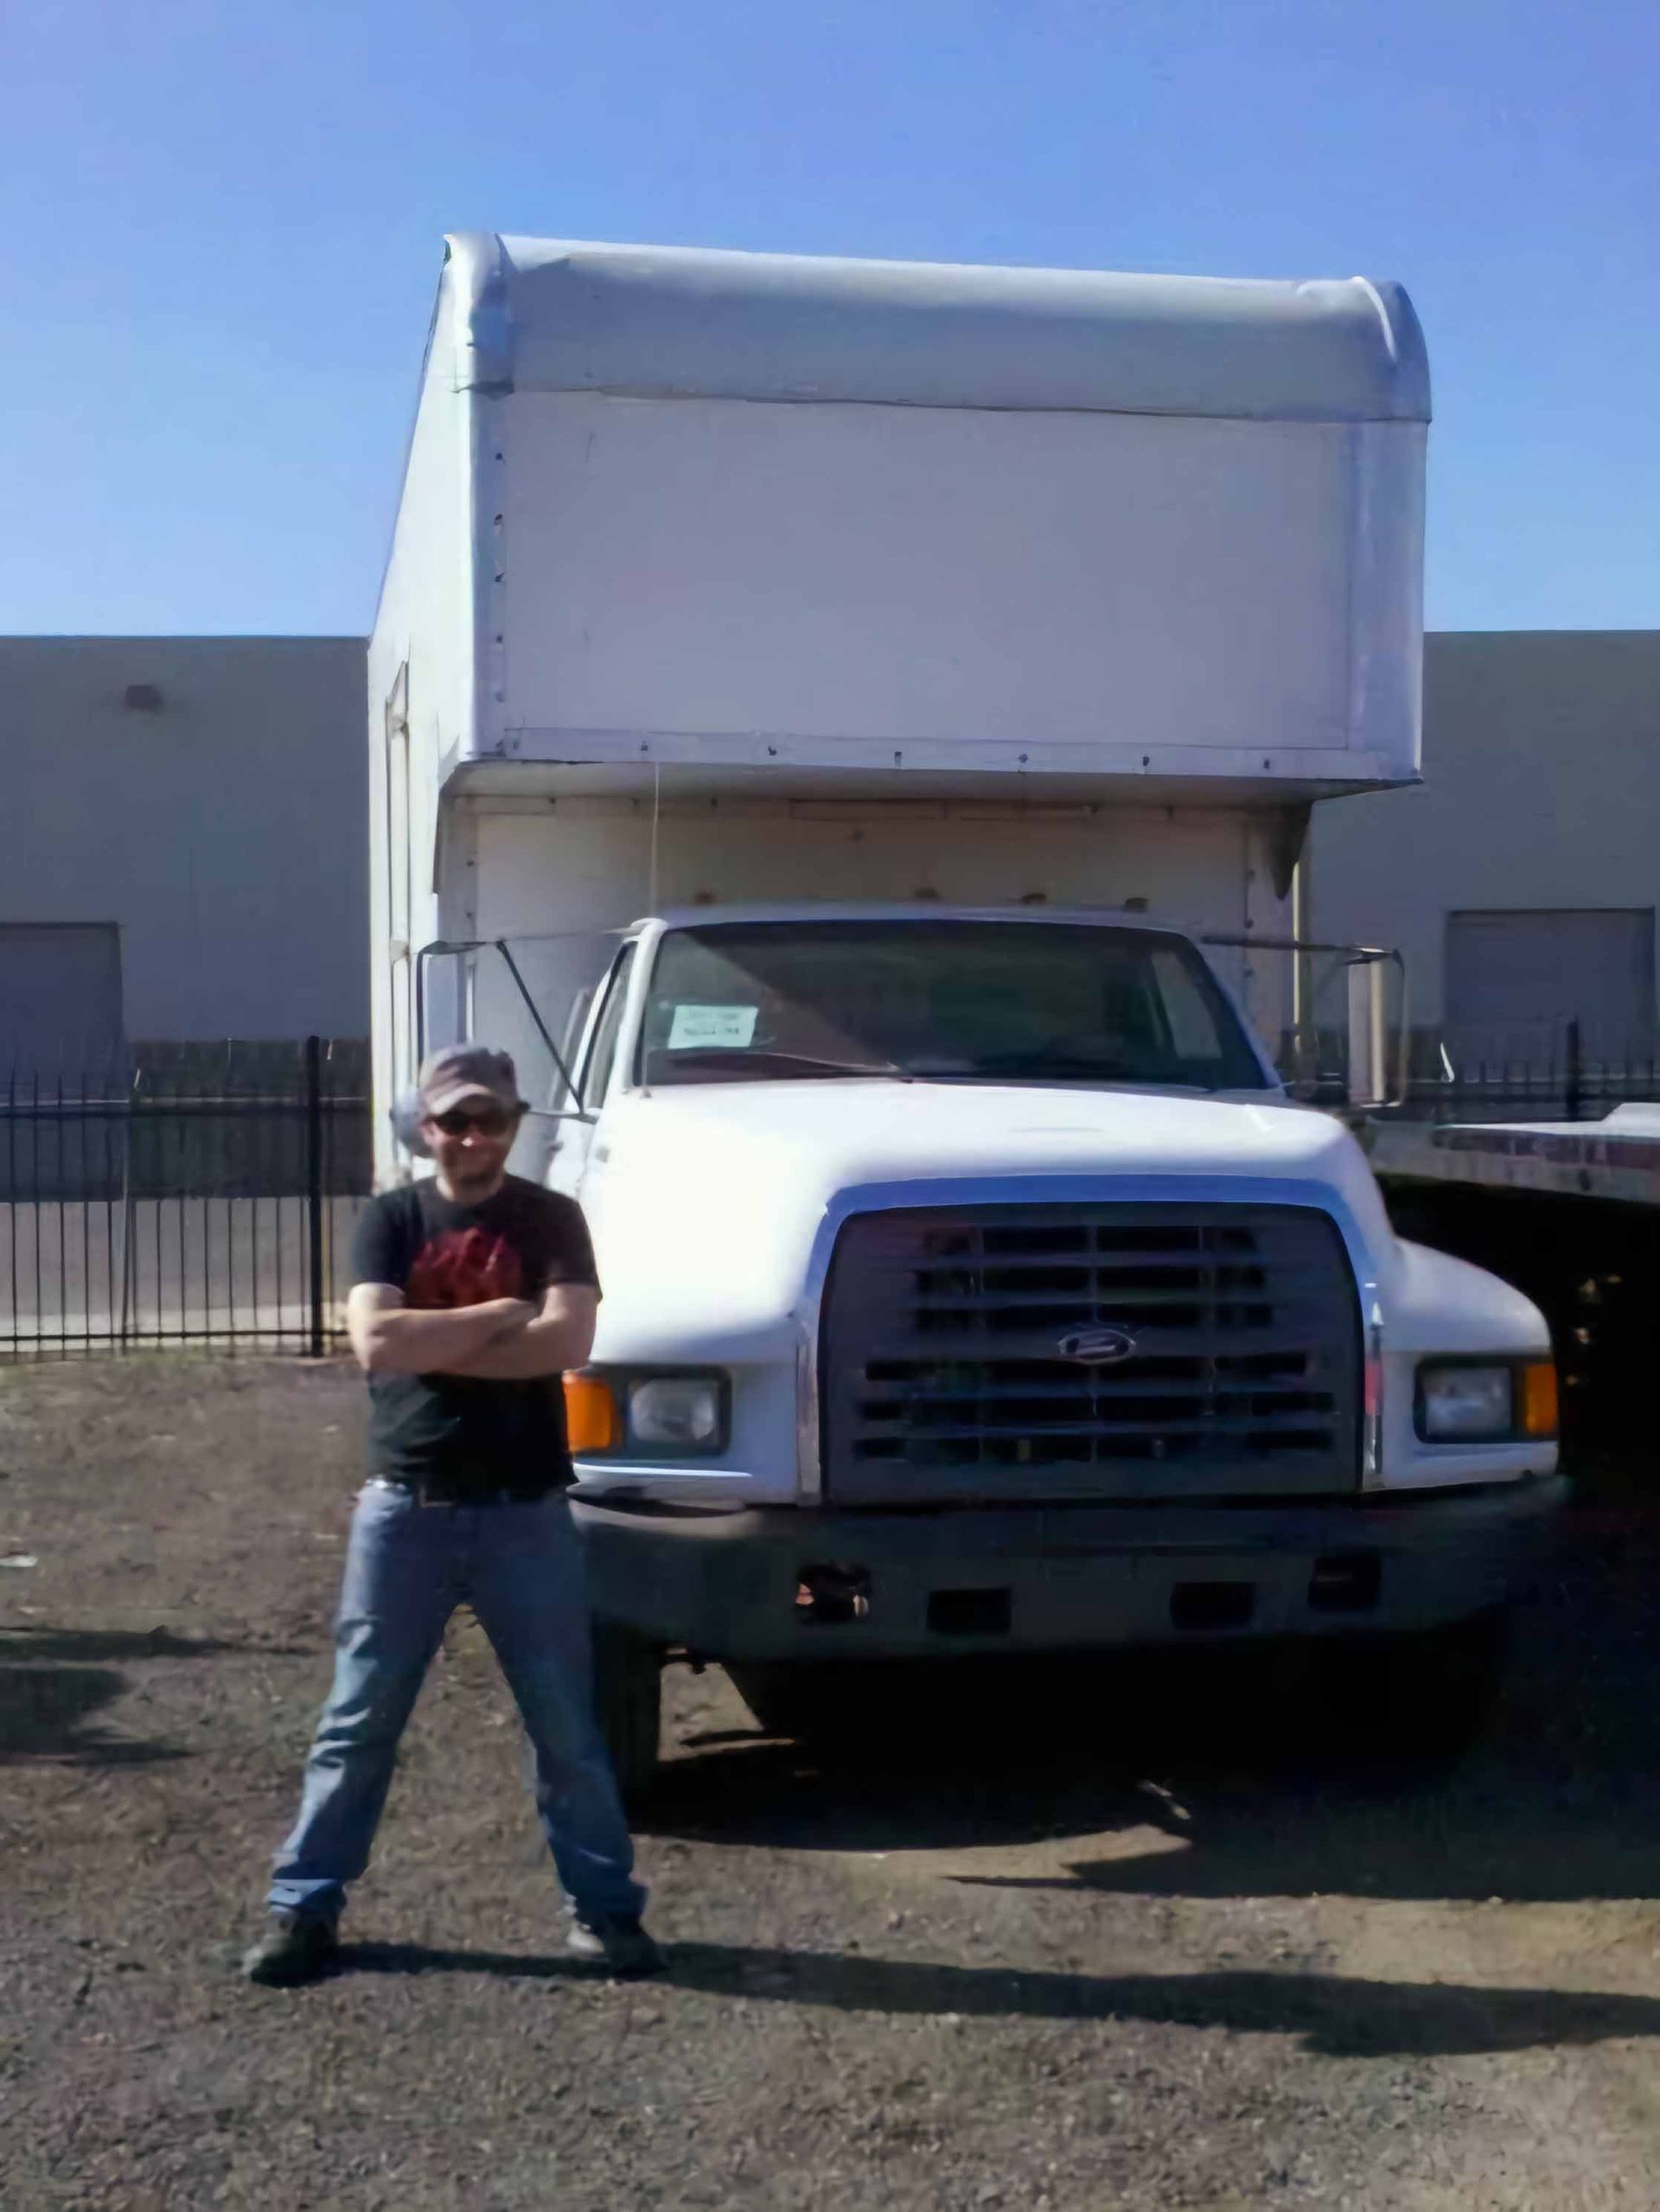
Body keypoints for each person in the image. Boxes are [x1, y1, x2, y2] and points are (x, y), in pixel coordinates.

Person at [243, 1043, 661, 1988]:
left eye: (491, 1120)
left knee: (566, 1726)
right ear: (424, 1128)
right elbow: (375, 1343)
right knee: (357, 1722)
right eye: (454, 1122)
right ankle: (303, 1910)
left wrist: (437, 1341)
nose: (473, 1138)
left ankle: (604, 1912)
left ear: (514, 1124)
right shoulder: (391, 1219)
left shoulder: (552, 1217)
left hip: (527, 1511)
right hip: (407, 1509)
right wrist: (502, 1318)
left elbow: (571, 1340)